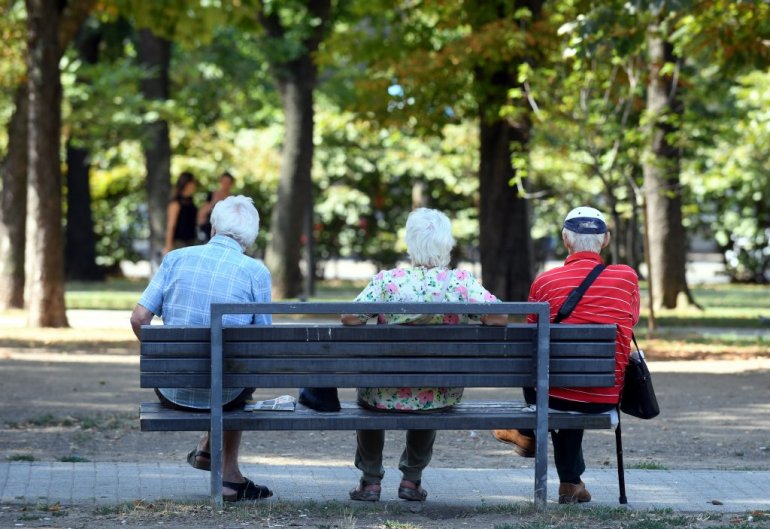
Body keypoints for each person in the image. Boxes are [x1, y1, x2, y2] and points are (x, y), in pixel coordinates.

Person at [341, 208, 506, 503]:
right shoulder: (460, 282)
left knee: (368, 393)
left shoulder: (388, 281)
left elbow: (350, 318)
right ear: (447, 244)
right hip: (437, 391)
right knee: (430, 388)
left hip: (382, 391)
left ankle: (370, 481)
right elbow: (499, 317)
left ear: (410, 242)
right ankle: (411, 479)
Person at [492, 206, 640, 504]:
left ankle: (527, 434)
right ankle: (570, 484)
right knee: (576, 382)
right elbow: (631, 319)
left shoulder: (545, 282)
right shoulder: (626, 278)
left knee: (556, 378)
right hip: (605, 394)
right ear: (606, 240)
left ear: (565, 239)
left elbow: (532, 337)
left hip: (552, 394)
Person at [130, 195, 273, 502]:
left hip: (172, 389)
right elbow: (261, 343)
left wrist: (166, 359)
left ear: (213, 227)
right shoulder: (256, 272)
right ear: (251, 236)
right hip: (228, 395)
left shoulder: (175, 259)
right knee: (236, 376)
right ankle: (229, 477)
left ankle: (210, 451)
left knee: (230, 375)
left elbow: (139, 318)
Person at [164, 172, 199, 255]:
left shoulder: (191, 202)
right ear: (187, 184)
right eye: (193, 182)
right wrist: (168, 245)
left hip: (192, 242)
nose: (195, 185)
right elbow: (171, 226)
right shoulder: (176, 203)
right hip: (179, 243)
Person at [197, 171, 235, 242]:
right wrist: (213, 202)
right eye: (223, 182)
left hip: (225, 233)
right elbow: (201, 213)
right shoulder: (212, 195)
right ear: (220, 182)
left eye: (228, 182)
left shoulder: (233, 199)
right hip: (208, 231)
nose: (225, 185)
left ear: (232, 184)